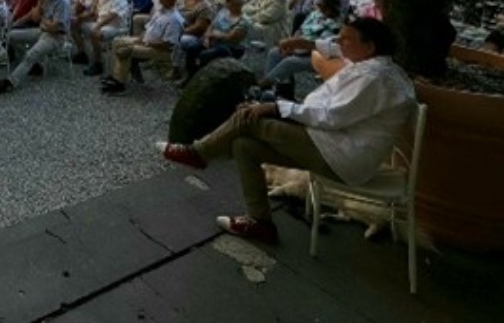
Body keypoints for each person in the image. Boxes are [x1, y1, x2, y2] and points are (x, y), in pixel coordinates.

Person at [157, 17, 416, 244]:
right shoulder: (375, 63)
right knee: (243, 146)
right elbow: (338, 53)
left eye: (346, 39)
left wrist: (276, 107)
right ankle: (260, 223)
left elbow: (330, 117)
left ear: (369, 46)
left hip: (340, 155)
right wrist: (306, 43)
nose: (339, 42)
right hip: (330, 141)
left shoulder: (373, 78)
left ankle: (199, 152)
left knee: (252, 118)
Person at [0, 0, 70, 95]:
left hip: (56, 37)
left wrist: (43, 20)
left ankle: (9, 82)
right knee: (10, 36)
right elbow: (36, 16)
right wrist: (40, 2)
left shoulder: (62, 2)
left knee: (31, 54)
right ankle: (34, 65)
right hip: (42, 31)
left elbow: (55, 27)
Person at [100, 0, 184, 94]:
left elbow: (168, 45)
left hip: (160, 50)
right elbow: (148, 27)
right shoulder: (160, 11)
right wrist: (140, 38)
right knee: (117, 41)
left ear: (172, 0)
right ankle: (114, 77)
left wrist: (146, 43)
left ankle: (120, 85)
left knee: (126, 50)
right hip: (147, 42)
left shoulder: (174, 19)